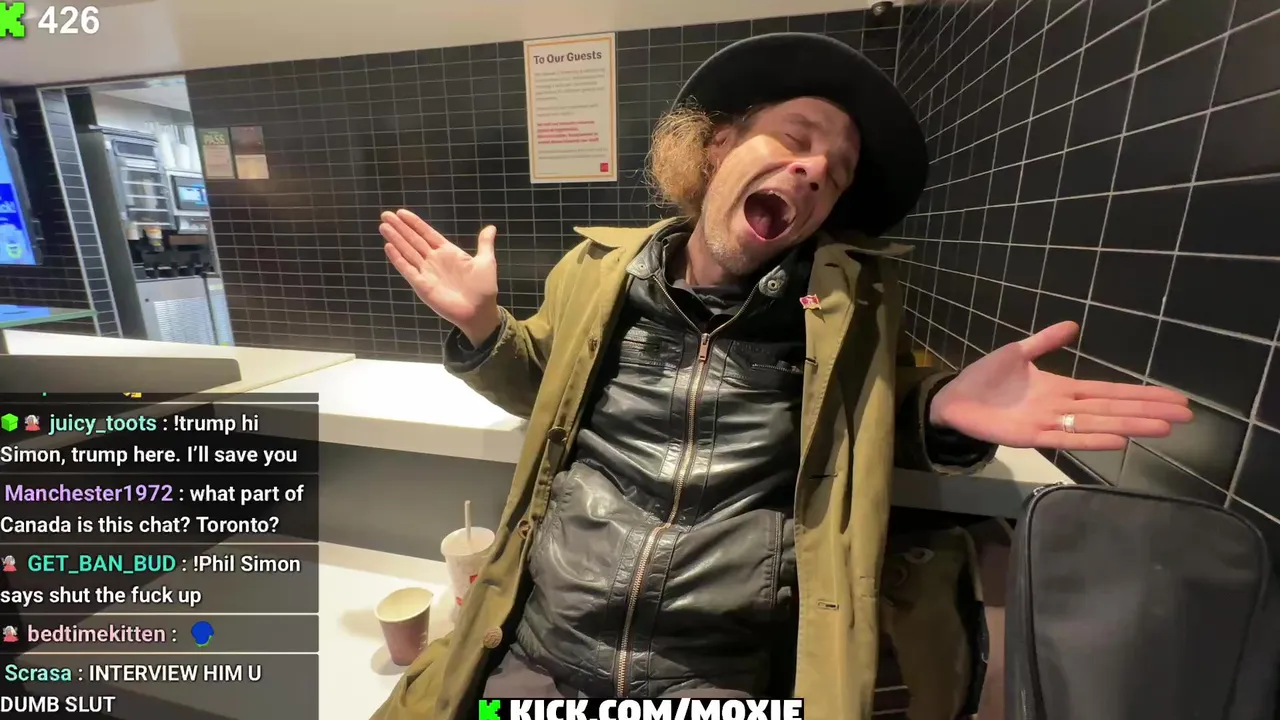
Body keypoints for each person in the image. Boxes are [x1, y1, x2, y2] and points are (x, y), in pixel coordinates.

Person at [372, 33, 1192, 720]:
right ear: (717, 146)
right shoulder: (594, 273)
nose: (813, 170)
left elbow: (878, 409)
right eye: (795, 139)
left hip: (716, 690)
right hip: (535, 668)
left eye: (835, 172)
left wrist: (943, 406)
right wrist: (481, 326)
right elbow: (542, 391)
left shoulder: (843, 313)